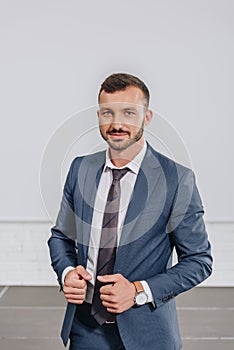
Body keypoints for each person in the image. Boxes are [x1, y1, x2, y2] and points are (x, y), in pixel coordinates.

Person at [48, 73, 212, 350]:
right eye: (107, 113)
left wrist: (137, 291)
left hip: (148, 333)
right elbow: (61, 237)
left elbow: (199, 261)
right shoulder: (80, 169)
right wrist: (66, 273)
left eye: (128, 112)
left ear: (147, 117)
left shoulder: (176, 179)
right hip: (85, 329)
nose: (117, 123)